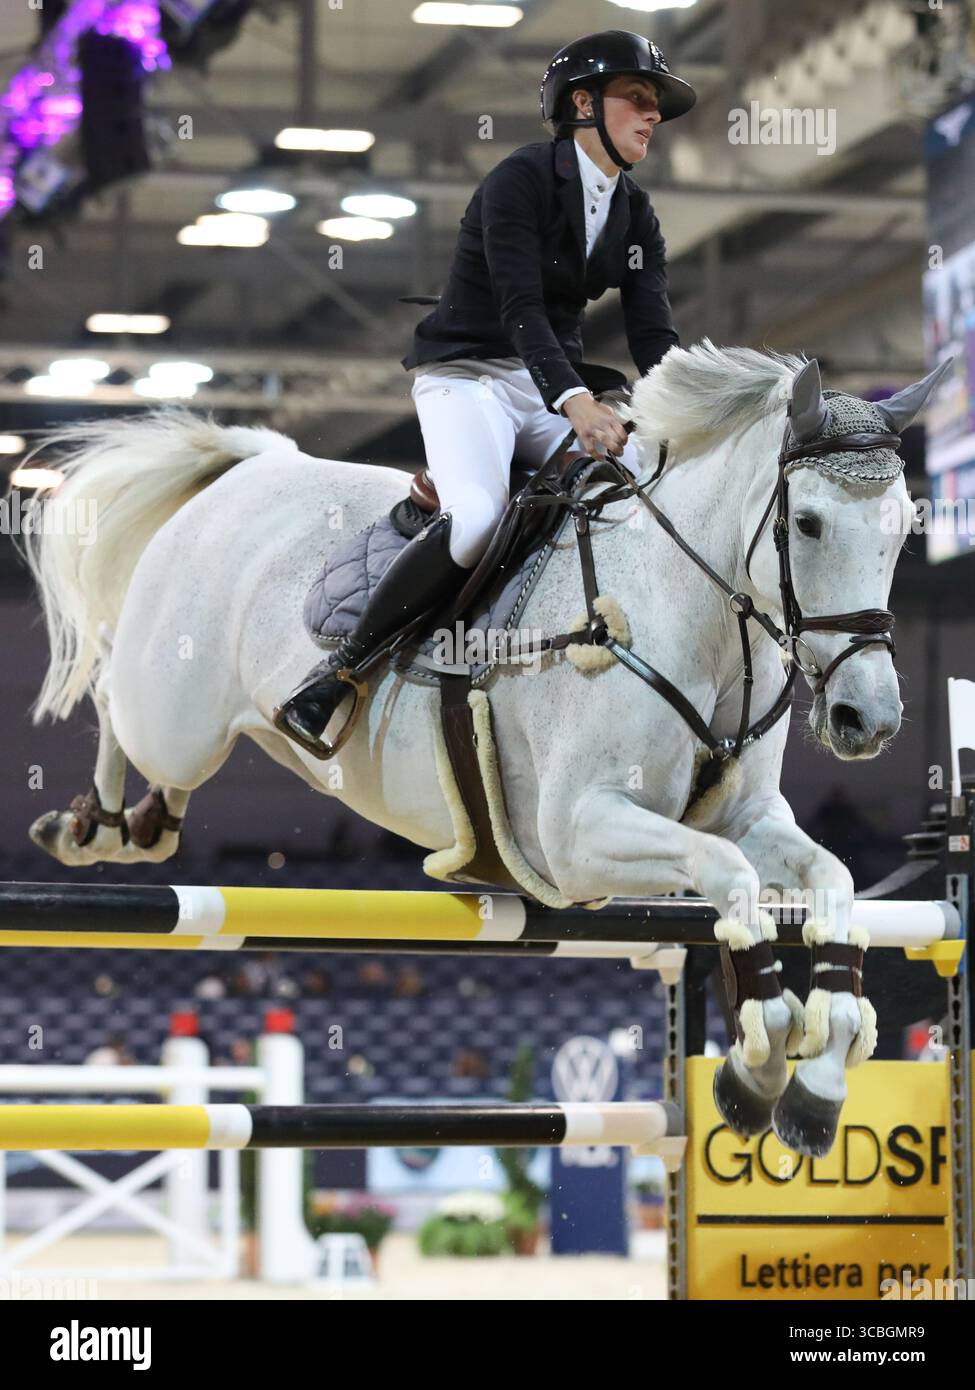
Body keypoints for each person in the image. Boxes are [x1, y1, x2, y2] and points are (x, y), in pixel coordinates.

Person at [274, 29, 696, 758]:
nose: (651, 114)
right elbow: (519, 306)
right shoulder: (520, 179)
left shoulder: (635, 215)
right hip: (466, 373)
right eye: (637, 96)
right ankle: (341, 672)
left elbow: (653, 336)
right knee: (475, 520)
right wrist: (574, 403)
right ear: (582, 103)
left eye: (654, 102)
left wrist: (690, 412)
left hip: (543, 384)